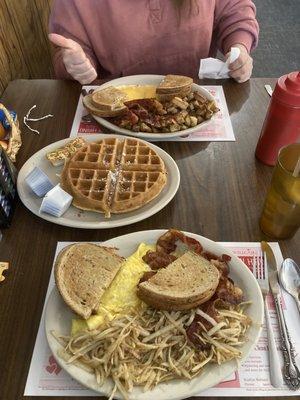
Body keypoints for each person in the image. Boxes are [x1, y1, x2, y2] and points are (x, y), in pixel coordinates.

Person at [48, 0, 259, 84]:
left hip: (195, 92)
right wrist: (77, 63)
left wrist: (239, 47)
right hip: (116, 101)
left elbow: (235, 10)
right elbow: (70, 47)